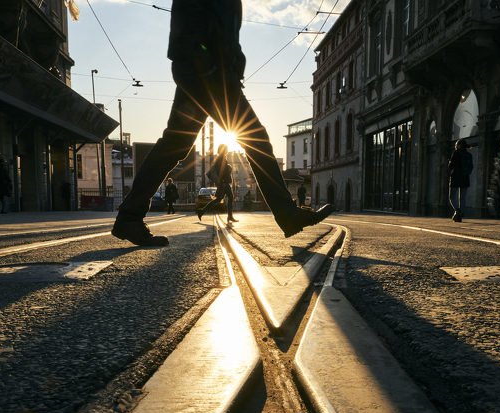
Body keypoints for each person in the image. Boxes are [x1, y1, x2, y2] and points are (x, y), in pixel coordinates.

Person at [111, 0, 333, 246]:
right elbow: (198, 15)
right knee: (254, 137)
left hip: (204, 66)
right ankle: (286, 213)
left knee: (174, 144)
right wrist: (209, 65)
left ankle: (129, 217)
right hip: (208, 70)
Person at [197, 144, 238, 222]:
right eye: (226, 149)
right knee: (228, 198)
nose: (227, 151)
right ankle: (229, 216)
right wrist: (229, 168)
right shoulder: (221, 159)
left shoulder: (221, 158)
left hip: (223, 183)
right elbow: (222, 171)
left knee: (219, 199)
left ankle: (202, 211)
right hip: (224, 183)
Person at [448, 138, 473, 222]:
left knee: (451, 197)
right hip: (465, 178)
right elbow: (471, 167)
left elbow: (450, 166)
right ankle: (460, 214)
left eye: (456, 144)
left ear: (459, 145)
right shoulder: (469, 155)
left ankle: (457, 211)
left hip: (456, 177)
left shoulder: (456, 153)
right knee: (463, 198)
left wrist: (450, 163)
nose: (455, 146)